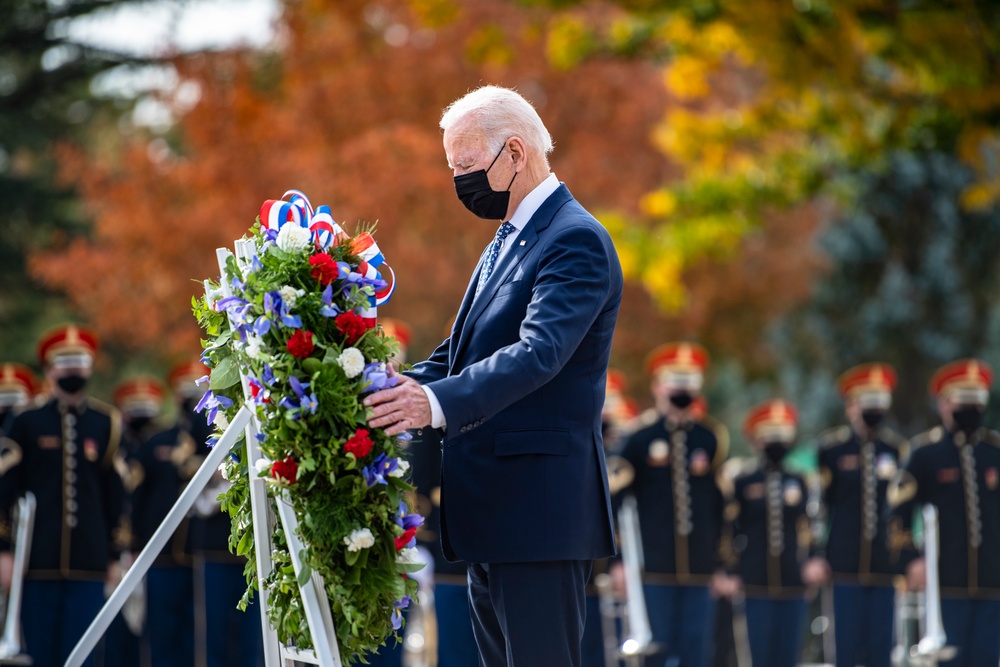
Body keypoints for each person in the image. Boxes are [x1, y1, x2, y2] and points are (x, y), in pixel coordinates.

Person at [363, 84, 624, 667]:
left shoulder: (574, 239)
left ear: (515, 152)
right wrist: (376, 384)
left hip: (539, 514)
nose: (459, 182)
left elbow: (539, 352)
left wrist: (429, 403)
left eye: (466, 166)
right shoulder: (508, 238)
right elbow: (458, 352)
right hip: (497, 515)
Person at [0, 324, 127, 667]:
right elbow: (5, 490)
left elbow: (114, 495)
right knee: (40, 654)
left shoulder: (106, 423)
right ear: (49, 369)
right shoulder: (26, 422)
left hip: (90, 560)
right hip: (36, 561)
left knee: (83, 655)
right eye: (64, 361)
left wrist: (115, 555)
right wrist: (4, 551)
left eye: (80, 361)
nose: (72, 369)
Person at [609, 342, 728, 667]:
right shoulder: (639, 438)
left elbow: (719, 507)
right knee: (655, 655)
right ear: (657, 385)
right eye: (675, 379)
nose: (683, 387)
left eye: (690, 380)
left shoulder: (710, 438)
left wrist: (720, 562)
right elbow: (614, 502)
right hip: (652, 570)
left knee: (696, 654)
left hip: (700, 570)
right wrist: (617, 561)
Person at [888, 358, 1000, 666]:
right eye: (962, 400)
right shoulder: (926, 454)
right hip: (945, 583)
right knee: (949, 659)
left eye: (977, 400)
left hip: (993, 580)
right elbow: (897, 512)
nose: (971, 407)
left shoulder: (995, 451)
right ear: (943, 404)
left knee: (988, 658)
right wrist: (911, 559)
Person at [719, 399, 827, 667]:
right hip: (754, 581)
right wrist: (730, 570)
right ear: (756, 440)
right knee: (757, 656)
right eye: (770, 435)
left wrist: (813, 557)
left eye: (782, 435)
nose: (777, 441)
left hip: (793, 580)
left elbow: (811, 523)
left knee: (789, 656)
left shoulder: (801, 480)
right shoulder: (742, 481)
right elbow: (730, 529)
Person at [816, 362, 907, 667]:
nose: (874, 409)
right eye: (868, 402)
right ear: (851, 406)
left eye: (880, 402)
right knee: (844, 648)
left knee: (882, 650)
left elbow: (903, 512)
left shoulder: (896, 451)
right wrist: (818, 553)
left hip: (884, 565)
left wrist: (906, 555)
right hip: (843, 566)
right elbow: (820, 507)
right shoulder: (832, 451)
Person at [131, 363, 207, 667]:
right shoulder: (156, 442)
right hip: (159, 554)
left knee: (195, 635)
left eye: (197, 393)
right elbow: (138, 497)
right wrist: (134, 545)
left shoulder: (213, 440)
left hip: (196, 554)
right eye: (186, 393)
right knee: (161, 635)